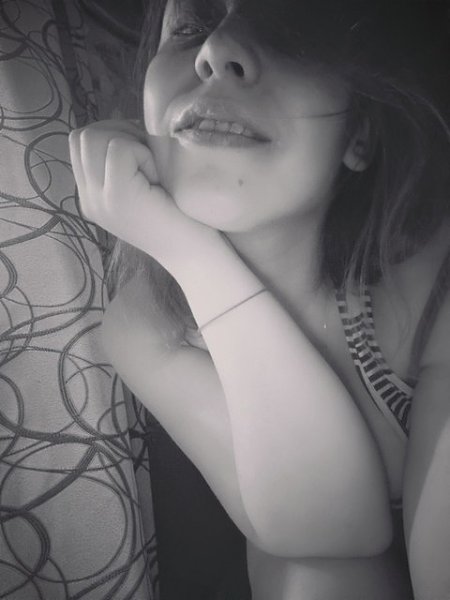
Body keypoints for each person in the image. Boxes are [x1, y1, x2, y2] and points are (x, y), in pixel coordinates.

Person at [69, 0, 450, 598]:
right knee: (308, 572)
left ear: (360, 134)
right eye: (191, 25)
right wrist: (191, 255)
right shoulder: (143, 325)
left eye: (288, 28)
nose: (215, 51)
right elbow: (331, 530)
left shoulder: (431, 271)